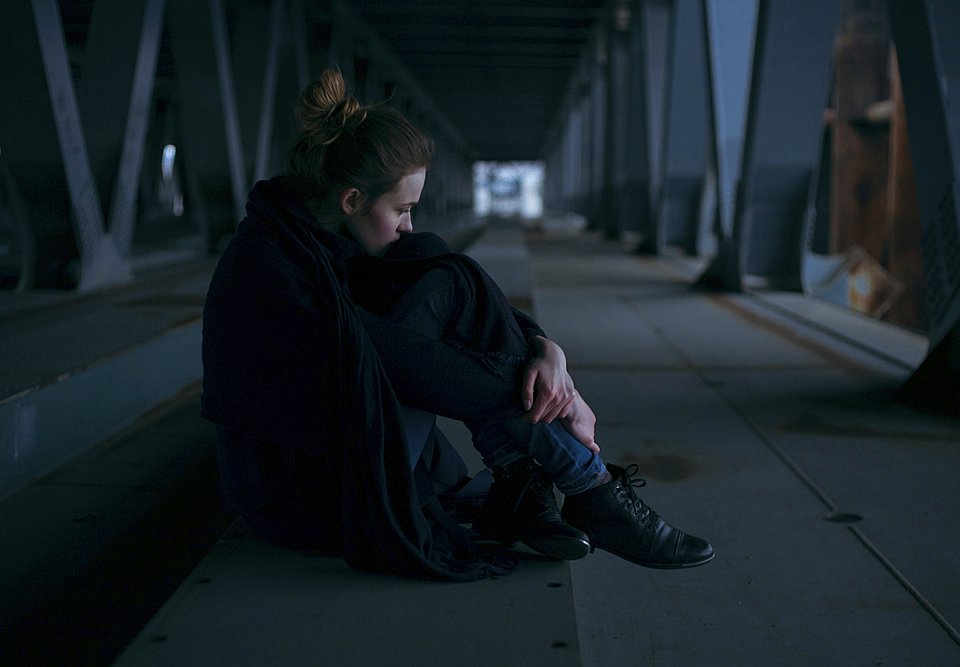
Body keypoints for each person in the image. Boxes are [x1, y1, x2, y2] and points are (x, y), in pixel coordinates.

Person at [202, 69, 713, 581]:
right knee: (444, 282)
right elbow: (408, 364)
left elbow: (452, 305)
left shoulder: (305, 237)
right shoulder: (270, 272)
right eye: (401, 209)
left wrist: (545, 348)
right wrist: (558, 399)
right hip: (307, 497)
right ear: (352, 200)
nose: (407, 222)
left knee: (434, 264)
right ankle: (588, 488)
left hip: (340, 454)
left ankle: (527, 485)